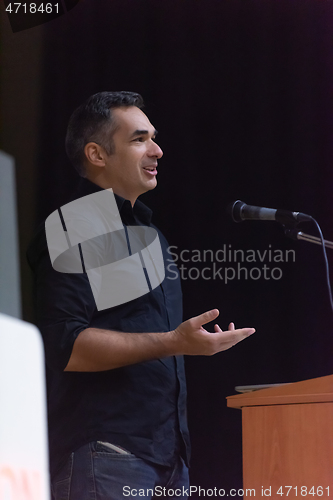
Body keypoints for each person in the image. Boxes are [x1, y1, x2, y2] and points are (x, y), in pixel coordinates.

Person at [27, 91, 255, 500]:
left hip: (169, 460)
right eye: (139, 139)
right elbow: (65, 345)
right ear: (97, 154)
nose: (158, 150)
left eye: (153, 137)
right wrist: (174, 343)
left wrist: (188, 344)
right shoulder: (74, 226)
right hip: (107, 453)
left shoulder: (153, 238)